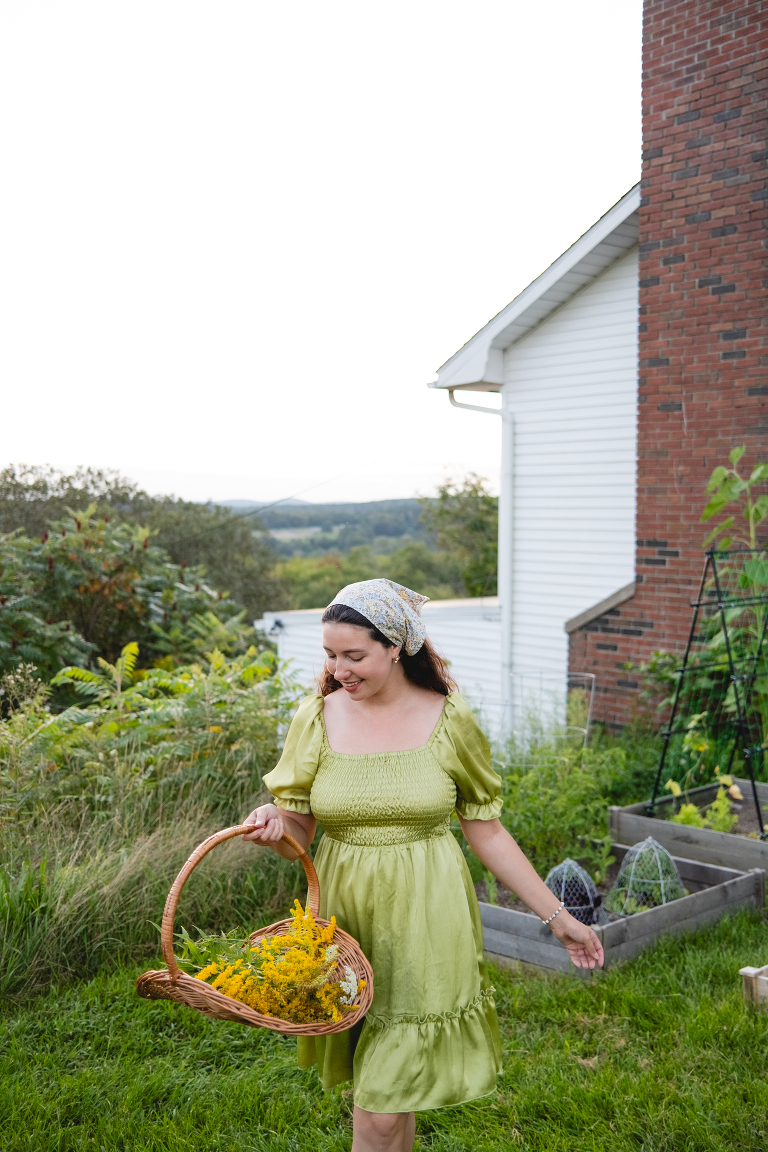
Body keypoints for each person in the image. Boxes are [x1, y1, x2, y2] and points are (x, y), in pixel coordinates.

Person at [243, 579, 603, 1152]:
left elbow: (487, 831)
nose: (339, 670)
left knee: (383, 1104)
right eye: (331, 655)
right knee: (391, 1096)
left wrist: (556, 917)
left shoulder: (447, 718)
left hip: (426, 921)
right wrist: (274, 827)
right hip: (345, 922)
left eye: (354, 656)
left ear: (396, 647)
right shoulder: (317, 718)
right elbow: (298, 835)